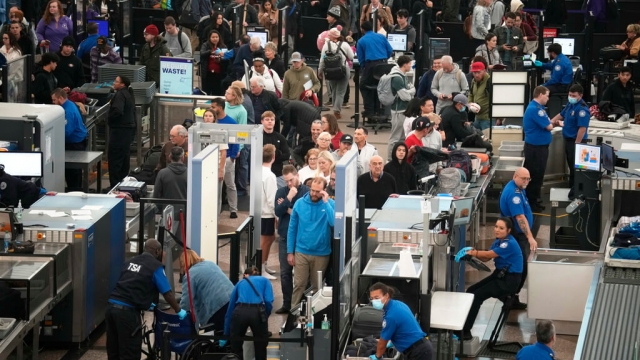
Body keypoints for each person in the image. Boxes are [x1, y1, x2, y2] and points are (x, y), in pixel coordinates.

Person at [106, 239, 187, 360]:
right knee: (129, 353)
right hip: (127, 314)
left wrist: (144, 302)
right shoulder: (155, 267)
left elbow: (129, 284)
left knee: (114, 351)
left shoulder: (130, 262)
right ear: (158, 251)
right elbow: (168, 293)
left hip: (111, 309)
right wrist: (178, 310)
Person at [458, 217, 523, 340]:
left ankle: (466, 331)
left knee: (477, 296)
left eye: (501, 228)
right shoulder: (499, 241)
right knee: (471, 290)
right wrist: (470, 256)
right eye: (496, 227)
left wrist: (473, 252)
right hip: (500, 275)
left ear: (509, 230)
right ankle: (462, 325)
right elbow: (486, 258)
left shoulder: (509, 243)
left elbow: (489, 255)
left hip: (509, 280)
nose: (497, 230)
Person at [287, 177, 335, 306]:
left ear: (324, 191)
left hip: (321, 253)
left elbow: (333, 222)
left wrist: (326, 202)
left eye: (317, 191)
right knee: (299, 284)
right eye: (312, 190)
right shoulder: (299, 203)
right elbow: (292, 229)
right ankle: (294, 316)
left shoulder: (330, 204)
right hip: (301, 251)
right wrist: (290, 252)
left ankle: (313, 317)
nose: (313, 193)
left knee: (316, 287)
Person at [499, 167, 536, 310]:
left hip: (519, 235)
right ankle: (509, 296)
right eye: (523, 178)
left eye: (528, 179)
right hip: (515, 235)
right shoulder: (513, 193)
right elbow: (520, 217)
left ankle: (512, 296)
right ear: (515, 176)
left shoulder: (519, 188)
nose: (526, 181)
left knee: (520, 267)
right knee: (520, 267)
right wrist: (530, 237)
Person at [274, 165, 310, 313]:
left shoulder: (307, 192)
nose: (289, 183)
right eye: (286, 181)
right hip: (284, 236)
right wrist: (288, 198)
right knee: (285, 273)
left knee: (303, 275)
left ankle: (302, 304)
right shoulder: (281, 192)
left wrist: (288, 208)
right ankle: (287, 303)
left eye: (291, 180)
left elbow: (304, 214)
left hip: (302, 238)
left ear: (297, 176)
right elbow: (277, 211)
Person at [368, 282, 433, 360]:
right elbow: (404, 326)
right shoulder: (398, 304)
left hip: (418, 353)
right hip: (421, 348)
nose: (374, 301)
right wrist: (393, 341)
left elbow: (383, 342)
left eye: (377, 298)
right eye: (372, 298)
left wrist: (377, 356)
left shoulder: (391, 316)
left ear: (387, 296)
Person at [222, 265, 274, 360]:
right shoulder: (265, 281)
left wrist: (226, 333)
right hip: (258, 311)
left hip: (240, 311)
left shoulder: (241, 282)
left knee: (236, 346)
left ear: (246, 275)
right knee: (260, 346)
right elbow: (268, 301)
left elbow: (230, 308)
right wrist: (265, 315)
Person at [523, 86, 562, 211]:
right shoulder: (536, 109)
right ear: (540, 94)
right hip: (536, 149)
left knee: (538, 175)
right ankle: (532, 203)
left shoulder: (538, 108)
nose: (548, 98)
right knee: (535, 175)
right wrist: (554, 123)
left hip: (539, 147)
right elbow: (548, 127)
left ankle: (535, 200)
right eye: (547, 95)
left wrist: (552, 123)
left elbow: (547, 123)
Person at [550, 84, 590, 199]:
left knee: (576, 169)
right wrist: (551, 121)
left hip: (577, 142)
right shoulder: (571, 104)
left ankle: (576, 193)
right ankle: (572, 189)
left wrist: (577, 144)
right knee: (571, 167)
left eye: (573, 95)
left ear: (580, 96)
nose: (571, 97)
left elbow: (582, 129)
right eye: (569, 94)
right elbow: (561, 114)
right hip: (568, 141)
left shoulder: (582, 109)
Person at [178, 249, 232, 332]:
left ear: (183, 263)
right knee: (229, 334)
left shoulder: (190, 275)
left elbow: (186, 302)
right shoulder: (210, 263)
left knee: (215, 335)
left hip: (216, 306)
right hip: (232, 300)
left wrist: (179, 315)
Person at [207, 100, 240, 218]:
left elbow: (236, 138)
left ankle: (233, 209)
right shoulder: (205, 126)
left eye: (213, 107)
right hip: (212, 161)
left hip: (227, 157)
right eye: (206, 115)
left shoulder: (231, 122)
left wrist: (232, 156)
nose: (208, 117)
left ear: (220, 108)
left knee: (230, 184)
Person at [52, 88, 88, 191]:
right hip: (77, 141)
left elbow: (67, 132)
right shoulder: (70, 104)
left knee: (72, 172)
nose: (53, 103)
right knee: (75, 172)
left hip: (74, 144)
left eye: (54, 100)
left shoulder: (67, 111)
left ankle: (74, 191)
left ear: (61, 98)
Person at [357, 21, 393, 117]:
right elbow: (390, 50)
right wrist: (384, 59)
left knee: (364, 86)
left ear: (362, 29)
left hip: (371, 66)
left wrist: (364, 69)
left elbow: (361, 59)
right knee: (380, 86)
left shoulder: (361, 41)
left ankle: (370, 111)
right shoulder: (381, 37)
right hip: (384, 65)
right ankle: (380, 110)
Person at [107, 75, 136, 188]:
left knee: (115, 160)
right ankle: (123, 185)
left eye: (116, 81)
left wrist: (110, 119)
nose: (114, 83)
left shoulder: (120, 95)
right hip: (127, 132)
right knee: (124, 159)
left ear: (122, 84)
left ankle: (114, 187)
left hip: (119, 132)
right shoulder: (128, 94)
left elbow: (117, 111)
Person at [318, 27, 353, 119]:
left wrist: (320, 71)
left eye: (329, 35)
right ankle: (337, 111)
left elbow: (322, 60)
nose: (328, 36)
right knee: (341, 92)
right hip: (343, 70)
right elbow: (352, 57)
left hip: (330, 71)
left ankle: (335, 107)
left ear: (333, 37)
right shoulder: (345, 44)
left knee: (333, 90)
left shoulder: (326, 46)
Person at [388, 55, 417, 161]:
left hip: (403, 110)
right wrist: (410, 92)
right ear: (405, 65)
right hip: (398, 111)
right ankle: (389, 159)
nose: (411, 65)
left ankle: (397, 159)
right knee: (395, 137)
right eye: (410, 64)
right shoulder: (397, 78)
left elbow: (411, 89)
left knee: (402, 137)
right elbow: (405, 97)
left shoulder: (403, 75)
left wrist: (409, 92)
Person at [153, 147, 188, 220]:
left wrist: (162, 209)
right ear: (182, 158)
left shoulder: (162, 173)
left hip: (168, 214)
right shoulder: (190, 173)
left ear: (169, 157)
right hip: (186, 214)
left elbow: (156, 196)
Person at [260, 144, 279, 280]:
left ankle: (264, 264)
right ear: (273, 157)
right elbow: (272, 199)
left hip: (261, 211)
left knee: (270, 238)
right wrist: (277, 215)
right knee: (266, 241)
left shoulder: (259, 171)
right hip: (267, 213)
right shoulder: (270, 176)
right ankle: (261, 268)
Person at [261, 111, 290, 187]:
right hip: (261, 173)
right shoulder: (259, 137)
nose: (270, 121)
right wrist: (278, 153)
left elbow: (287, 155)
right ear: (262, 121)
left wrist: (273, 156)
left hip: (278, 174)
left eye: (272, 119)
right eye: (267, 119)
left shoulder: (280, 137)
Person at [467, 61, 492, 130]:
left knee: (487, 139)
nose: (476, 75)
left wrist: (500, 118)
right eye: (474, 73)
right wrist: (470, 103)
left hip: (488, 119)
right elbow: (471, 94)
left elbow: (497, 99)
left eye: (479, 72)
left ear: (484, 71)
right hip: (477, 118)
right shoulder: (473, 81)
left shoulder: (490, 81)